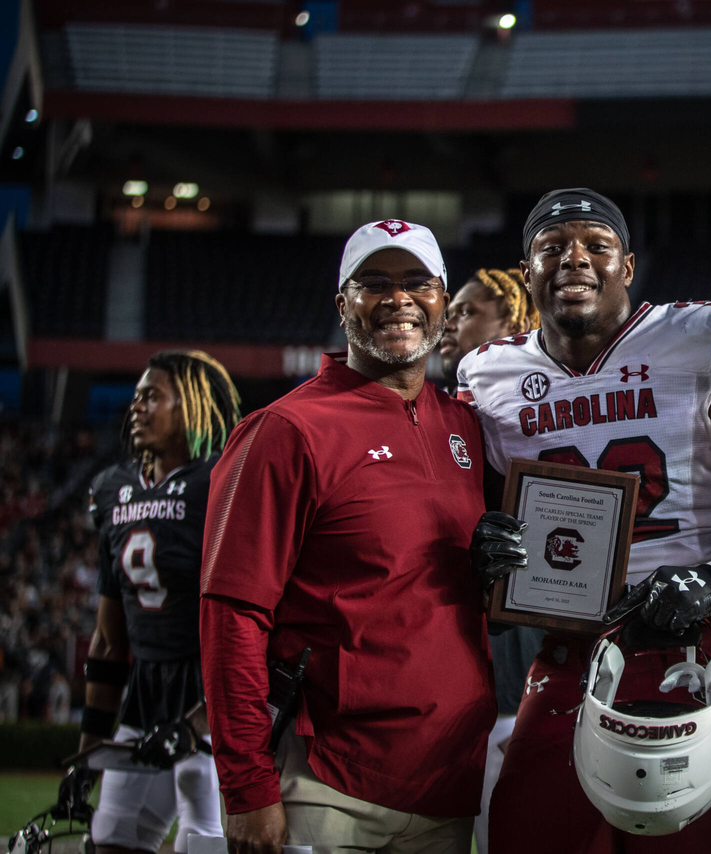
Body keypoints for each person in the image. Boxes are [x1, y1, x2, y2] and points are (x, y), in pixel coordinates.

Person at [459, 188, 711, 854]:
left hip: (690, 655)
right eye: (551, 248)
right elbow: (488, 554)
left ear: (629, 265)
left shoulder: (705, 335)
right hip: (563, 656)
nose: (573, 260)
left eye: (596, 245)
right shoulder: (488, 375)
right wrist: (487, 550)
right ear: (527, 273)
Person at [199, 219, 495, 854]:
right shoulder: (285, 430)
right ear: (343, 303)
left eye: (418, 282)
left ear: (443, 298)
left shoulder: (467, 426)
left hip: (447, 787)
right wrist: (247, 787)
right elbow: (231, 615)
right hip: (328, 784)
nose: (399, 299)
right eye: (374, 283)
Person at [81, 350, 241, 854]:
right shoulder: (114, 490)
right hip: (145, 690)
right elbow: (109, 641)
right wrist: (87, 753)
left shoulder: (222, 482)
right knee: (112, 837)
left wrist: (203, 717)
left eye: (153, 396)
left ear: (194, 405)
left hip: (214, 688)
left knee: (205, 840)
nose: (137, 407)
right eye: (135, 397)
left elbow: (255, 618)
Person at [439, 266, 545, 854]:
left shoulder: (528, 413)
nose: (451, 319)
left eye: (468, 310)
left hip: (518, 660)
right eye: (450, 311)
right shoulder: (439, 411)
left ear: (512, 317)